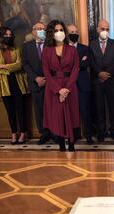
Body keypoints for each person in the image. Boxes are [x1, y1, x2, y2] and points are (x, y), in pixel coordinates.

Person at [41, 19, 79, 152]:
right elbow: (46, 72)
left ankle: (72, 143)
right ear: (51, 33)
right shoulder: (46, 51)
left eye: (61, 30)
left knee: (70, 115)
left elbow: (75, 69)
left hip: (70, 87)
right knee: (57, 117)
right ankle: (61, 144)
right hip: (53, 88)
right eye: (56, 30)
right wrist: (59, 90)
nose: (59, 33)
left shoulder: (72, 50)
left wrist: (67, 89)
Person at [0, 26, 28, 144]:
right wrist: (8, 67)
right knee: (10, 110)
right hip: (4, 83)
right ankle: (13, 133)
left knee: (20, 109)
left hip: (17, 81)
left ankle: (23, 132)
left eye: (10, 35)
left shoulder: (16, 49)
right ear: (0, 36)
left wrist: (1, 66)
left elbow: (19, 66)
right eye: (6, 35)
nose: (8, 37)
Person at [88, 19, 114, 142]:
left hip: (111, 80)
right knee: (99, 107)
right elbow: (91, 61)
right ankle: (101, 132)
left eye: (107, 29)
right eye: (103, 29)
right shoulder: (92, 44)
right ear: (98, 29)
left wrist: (107, 73)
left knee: (113, 107)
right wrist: (99, 73)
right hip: (97, 81)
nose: (105, 31)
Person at [22, 22, 53, 145]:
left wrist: (47, 79)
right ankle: (44, 133)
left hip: (50, 83)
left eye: (43, 29)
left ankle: (54, 133)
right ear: (33, 32)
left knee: (52, 109)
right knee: (39, 109)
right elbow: (25, 64)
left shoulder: (51, 45)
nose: (41, 31)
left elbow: (55, 64)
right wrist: (36, 78)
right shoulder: (27, 46)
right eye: (39, 29)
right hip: (36, 83)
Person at [67, 24, 94, 144]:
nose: (74, 33)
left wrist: (74, 66)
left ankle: (88, 135)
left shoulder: (85, 48)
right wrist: (78, 63)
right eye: (72, 31)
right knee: (71, 112)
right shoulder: (63, 49)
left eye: (76, 31)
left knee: (86, 111)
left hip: (83, 84)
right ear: (67, 34)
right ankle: (73, 135)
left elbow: (86, 63)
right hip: (68, 85)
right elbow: (65, 66)